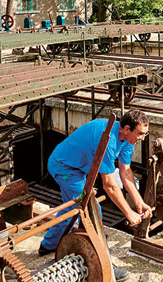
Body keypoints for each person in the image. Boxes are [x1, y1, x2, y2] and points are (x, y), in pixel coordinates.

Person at [39, 110, 152, 282]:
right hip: (64, 168)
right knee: (93, 211)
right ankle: (105, 264)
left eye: (145, 134)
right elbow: (109, 185)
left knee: (71, 207)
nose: (142, 138)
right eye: (141, 134)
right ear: (127, 129)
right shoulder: (108, 139)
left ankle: (48, 245)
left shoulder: (128, 140)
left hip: (80, 169)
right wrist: (129, 213)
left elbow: (126, 172)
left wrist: (139, 202)